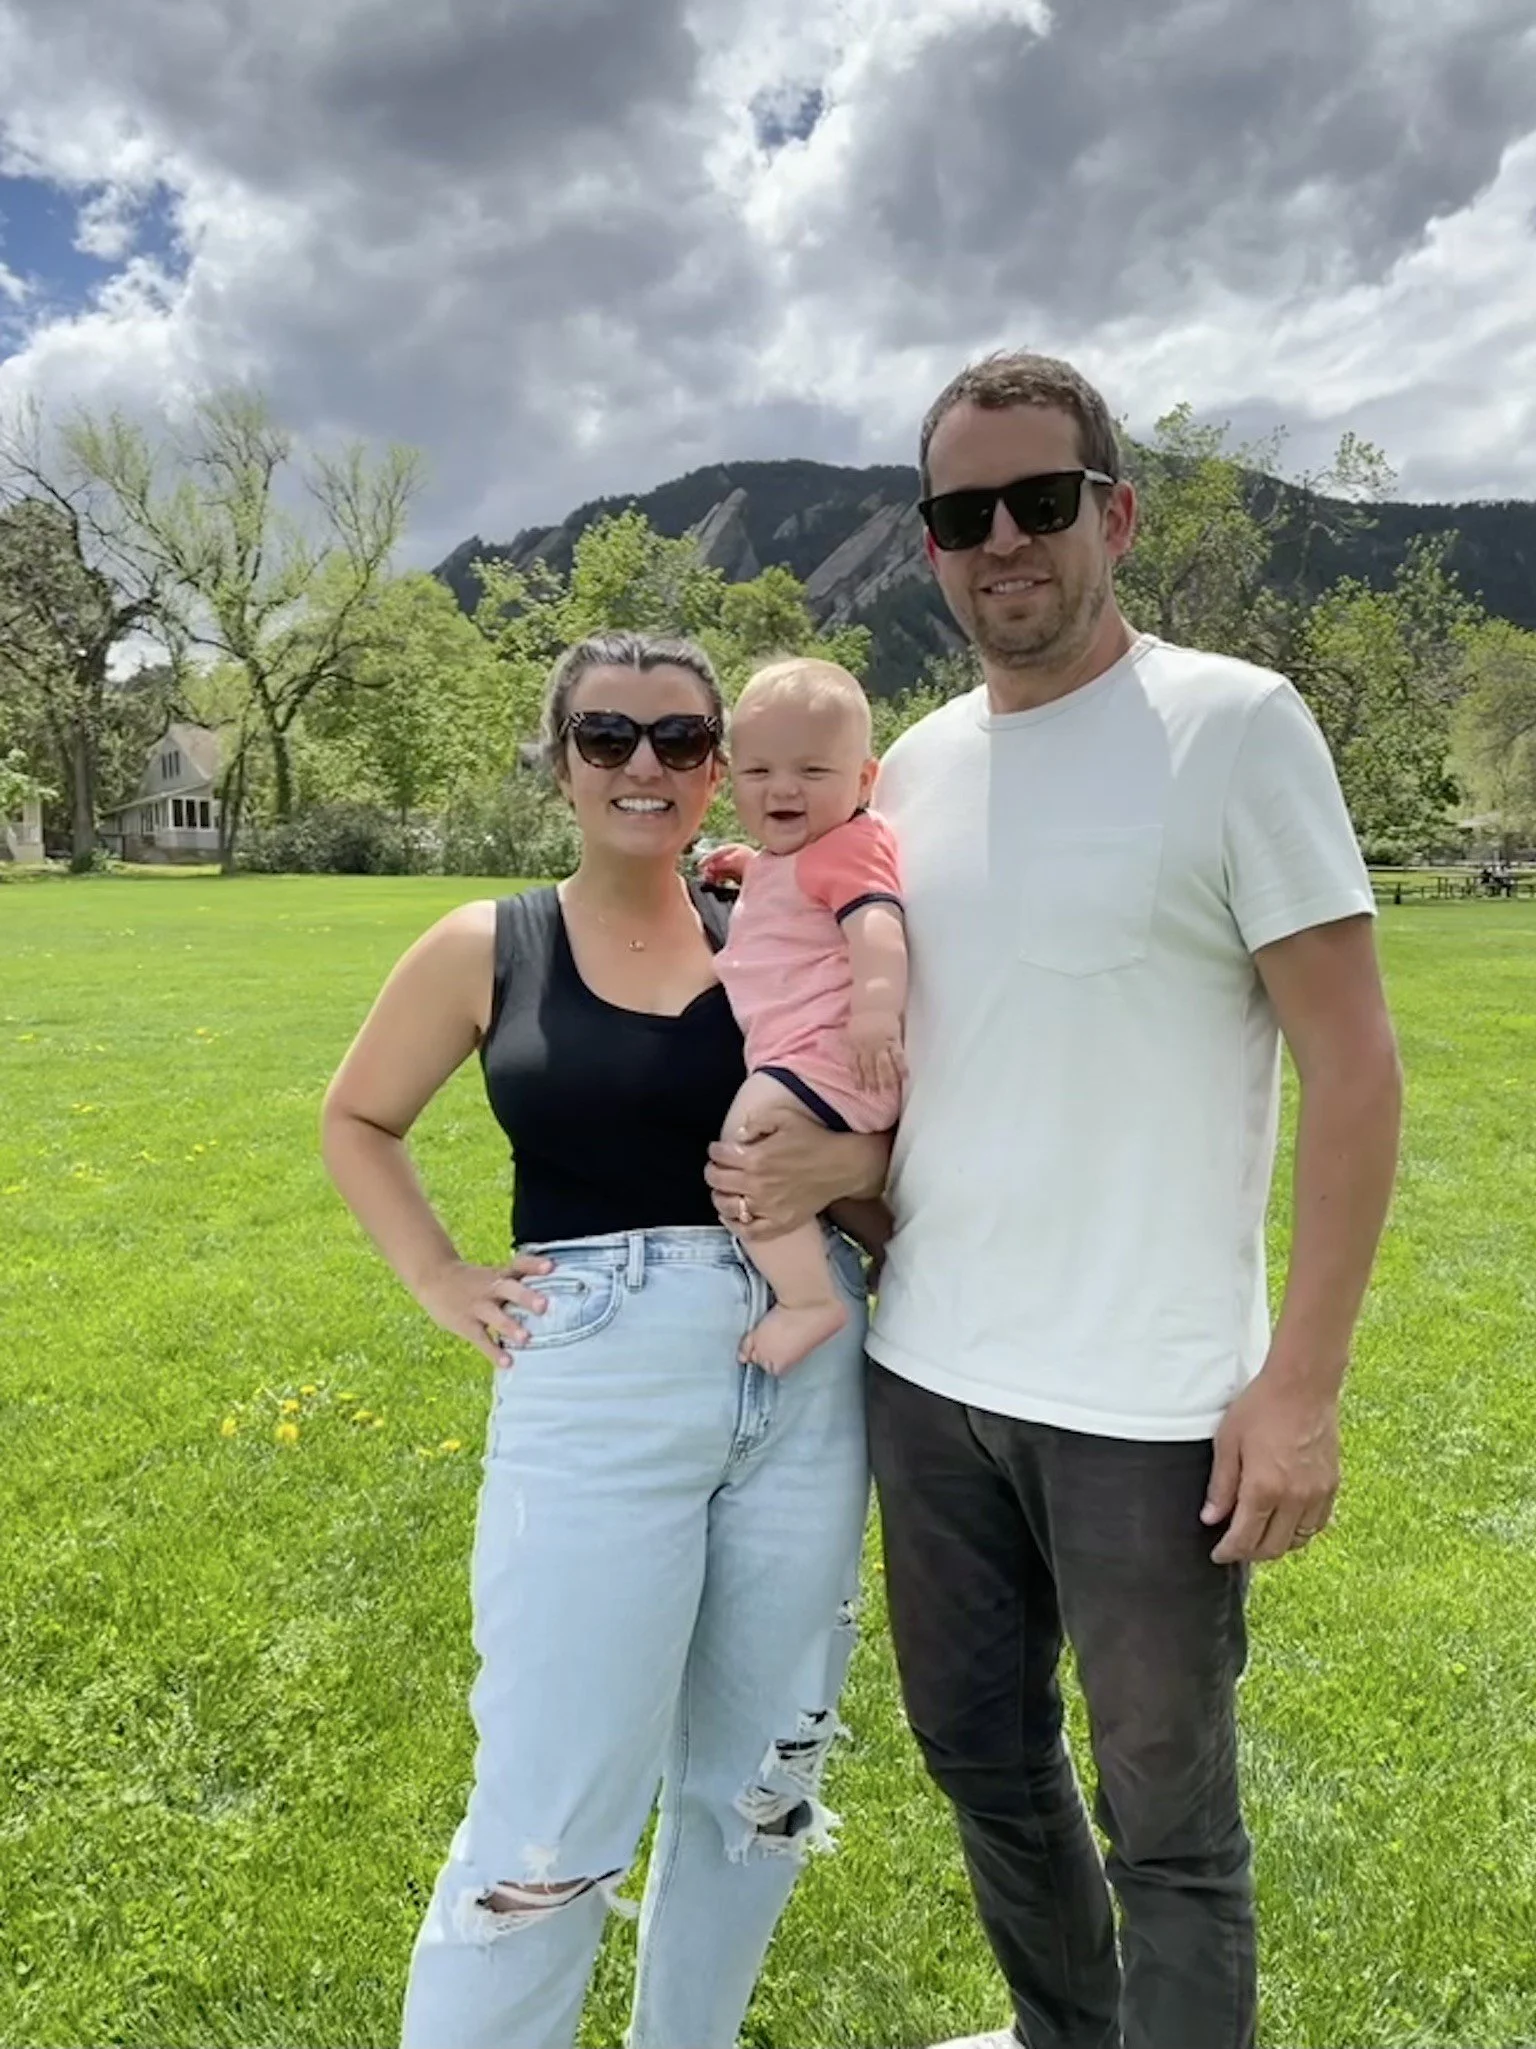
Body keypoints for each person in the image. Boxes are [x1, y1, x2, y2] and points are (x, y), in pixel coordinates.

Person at [706, 352, 1403, 2049]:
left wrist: (1297, 1385)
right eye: (960, 512)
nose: (1000, 539)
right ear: (929, 545)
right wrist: (848, 1172)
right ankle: (1058, 2031)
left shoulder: (1234, 724)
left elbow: (1358, 1068)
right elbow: (944, 1054)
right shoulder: (913, 770)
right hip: (931, 1372)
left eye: (1038, 499)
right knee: (980, 1753)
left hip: (1148, 1404)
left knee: (1171, 1827)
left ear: (1116, 511)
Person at [320, 629, 884, 2049]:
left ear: (720, 767)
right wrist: (440, 1273)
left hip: (807, 1376)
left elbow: (876, 1124)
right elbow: (357, 1119)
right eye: (609, 737)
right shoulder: (490, 942)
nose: (647, 766)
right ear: (561, 756)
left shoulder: (776, 914)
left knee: (758, 1786)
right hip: (598, 1384)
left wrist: (848, 1184)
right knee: (551, 1809)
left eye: (683, 740)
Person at [699, 656, 907, 1373]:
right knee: (785, 1162)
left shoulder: (849, 847)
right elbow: (798, 891)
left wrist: (876, 1012)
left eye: (813, 773)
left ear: (863, 781)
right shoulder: (803, 853)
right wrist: (751, 866)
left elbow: (875, 924)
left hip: (831, 1055)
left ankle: (808, 1300)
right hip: (808, 1058)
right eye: (759, 773)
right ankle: (887, 1244)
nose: (783, 788)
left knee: (747, 1150)